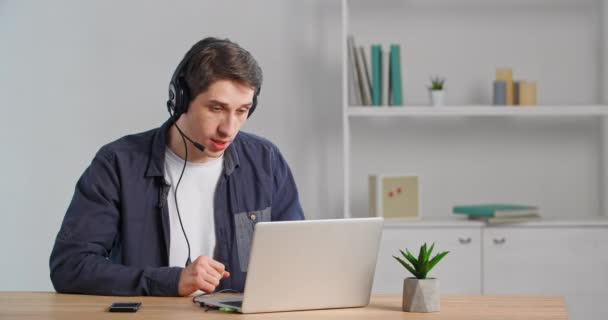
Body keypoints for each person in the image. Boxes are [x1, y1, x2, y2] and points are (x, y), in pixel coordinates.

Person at [49, 37, 305, 296]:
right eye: (216, 108)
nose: (229, 128)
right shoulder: (118, 163)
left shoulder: (265, 161)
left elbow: (297, 259)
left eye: (242, 111)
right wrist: (170, 281)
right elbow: (70, 266)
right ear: (181, 100)